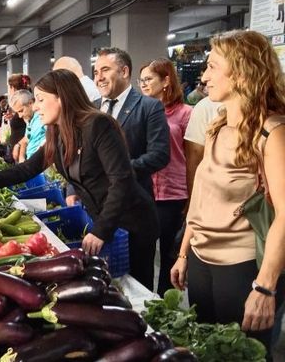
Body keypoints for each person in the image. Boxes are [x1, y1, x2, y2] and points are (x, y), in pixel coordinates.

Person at [0, 69, 159, 290]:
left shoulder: (99, 125)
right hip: (104, 218)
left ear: (62, 97)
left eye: (41, 99)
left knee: (137, 288)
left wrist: (102, 230)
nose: (36, 106)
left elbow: (122, 181)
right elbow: (28, 168)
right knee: (115, 285)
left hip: (132, 221)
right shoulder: (57, 132)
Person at [171, 30, 285, 355]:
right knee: (207, 348)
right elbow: (201, 196)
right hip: (202, 258)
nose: (203, 77)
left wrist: (265, 286)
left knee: (240, 353)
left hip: (242, 265)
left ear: (240, 72)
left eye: (211, 67)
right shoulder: (218, 126)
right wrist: (183, 252)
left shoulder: (272, 133)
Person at [139, 58, 192, 295]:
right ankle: (145, 299)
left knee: (169, 251)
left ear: (166, 80)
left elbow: (192, 158)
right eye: (141, 80)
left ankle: (164, 300)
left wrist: (192, 196)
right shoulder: (140, 111)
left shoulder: (184, 114)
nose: (143, 84)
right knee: (143, 250)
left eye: (149, 79)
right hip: (145, 190)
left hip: (173, 192)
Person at [93, 47, 170, 198]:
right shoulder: (91, 107)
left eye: (105, 70)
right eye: (96, 73)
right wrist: (73, 190)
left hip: (133, 200)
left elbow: (159, 155)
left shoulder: (149, 107)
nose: (99, 77)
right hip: (96, 201)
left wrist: (117, 171)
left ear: (124, 72)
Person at [10, 89, 46, 163]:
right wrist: (21, 157)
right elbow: (27, 138)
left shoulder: (43, 118)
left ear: (30, 103)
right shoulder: (29, 119)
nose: (20, 116)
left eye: (21, 111)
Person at [4, 74, 31, 163]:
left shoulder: (36, 119)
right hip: (19, 147)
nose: (20, 115)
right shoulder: (20, 104)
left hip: (24, 151)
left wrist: (21, 153)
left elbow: (29, 134)